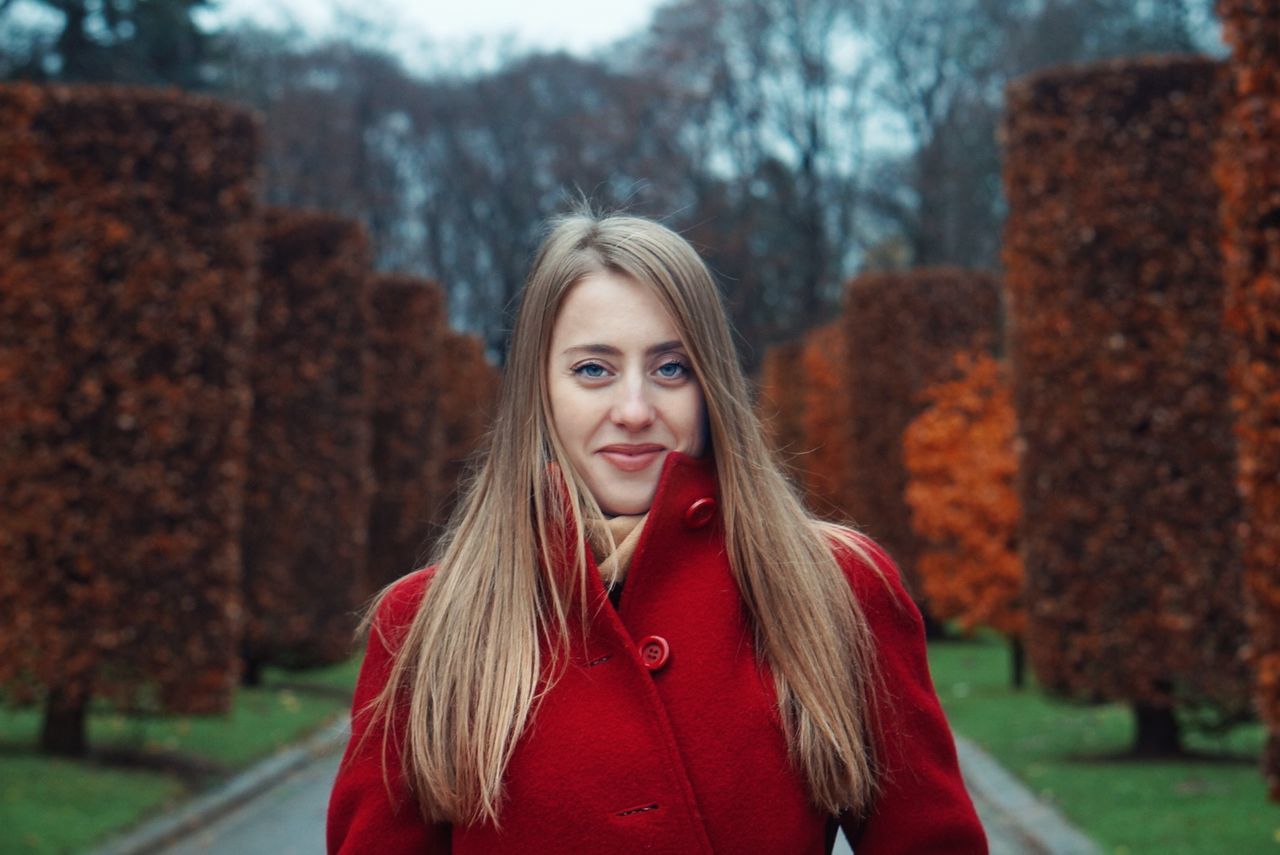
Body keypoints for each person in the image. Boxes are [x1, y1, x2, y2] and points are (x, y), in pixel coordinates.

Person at [326, 211, 988, 854]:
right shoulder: (424, 624)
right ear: (540, 394)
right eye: (594, 369)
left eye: (671, 368)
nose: (635, 410)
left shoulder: (838, 588)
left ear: (710, 387)